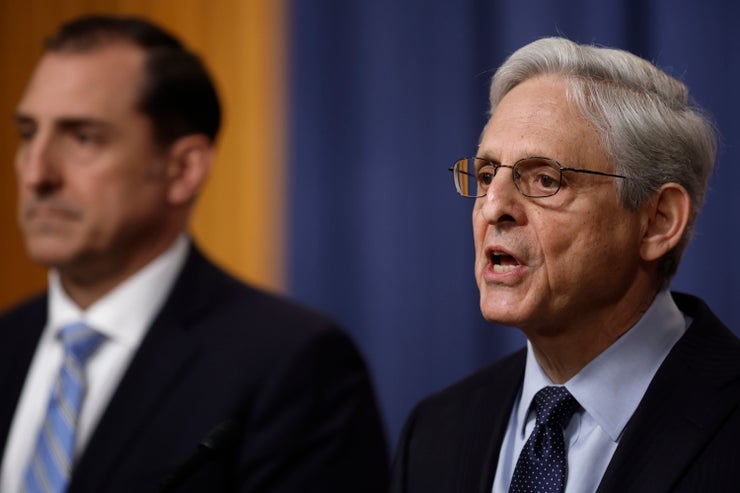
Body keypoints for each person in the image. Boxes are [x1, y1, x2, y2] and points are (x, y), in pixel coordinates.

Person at [0, 14, 388, 493]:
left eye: (82, 137)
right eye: (27, 133)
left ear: (183, 169)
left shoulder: (295, 367)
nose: (36, 174)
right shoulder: (7, 341)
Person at [391, 37, 740, 493]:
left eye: (543, 179)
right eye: (485, 175)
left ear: (658, 221)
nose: (493, 207)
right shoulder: (435, 432)